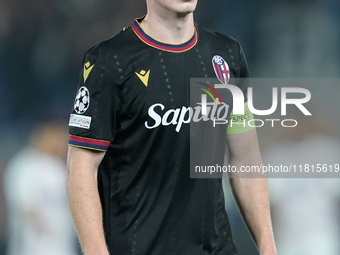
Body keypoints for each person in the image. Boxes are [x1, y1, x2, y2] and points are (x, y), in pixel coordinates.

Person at [66, 1, 276, 254]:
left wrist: (268, 247)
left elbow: (245, 158)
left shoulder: (228, 54)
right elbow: (81, 167)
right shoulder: (109, 60)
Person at [4, 119, 78, 255]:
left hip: (63, 246)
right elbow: (25, 206)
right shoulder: (25, 163)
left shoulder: (57, 165)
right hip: (33, 246)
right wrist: (46, 229)